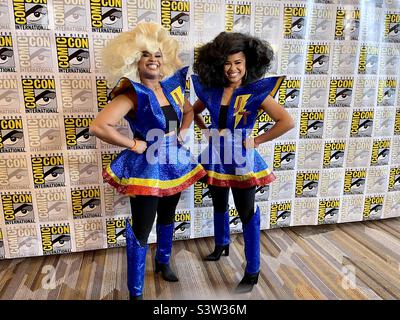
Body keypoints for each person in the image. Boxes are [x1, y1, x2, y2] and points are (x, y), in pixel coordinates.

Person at [89, 22, 206, 300]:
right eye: (145, 54)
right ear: (133, 60)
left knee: (168, 216)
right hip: (148, 166)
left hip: (174, 162)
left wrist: (183, 131)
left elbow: (188, 112)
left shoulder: (173, 88)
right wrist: (133, 144)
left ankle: (163, 261)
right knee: (142, 227)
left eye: (157, 54)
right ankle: (136, 291)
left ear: (165, 58)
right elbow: (99, 126)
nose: (153, 59)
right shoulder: (133, 93)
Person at [192, 32, 295, 293]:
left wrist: (258, 140)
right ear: (218, 64)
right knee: (218, 202)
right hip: (216, 156)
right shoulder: (211, 90)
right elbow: (191, 112)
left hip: (241, 160)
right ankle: (221, 245)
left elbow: (287, 121)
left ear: (248, 63)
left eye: (238, 62)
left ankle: (252, 269)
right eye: (227, 63)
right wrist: (206, 131)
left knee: (246, 211)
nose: (232, 68)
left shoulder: (256, 93)